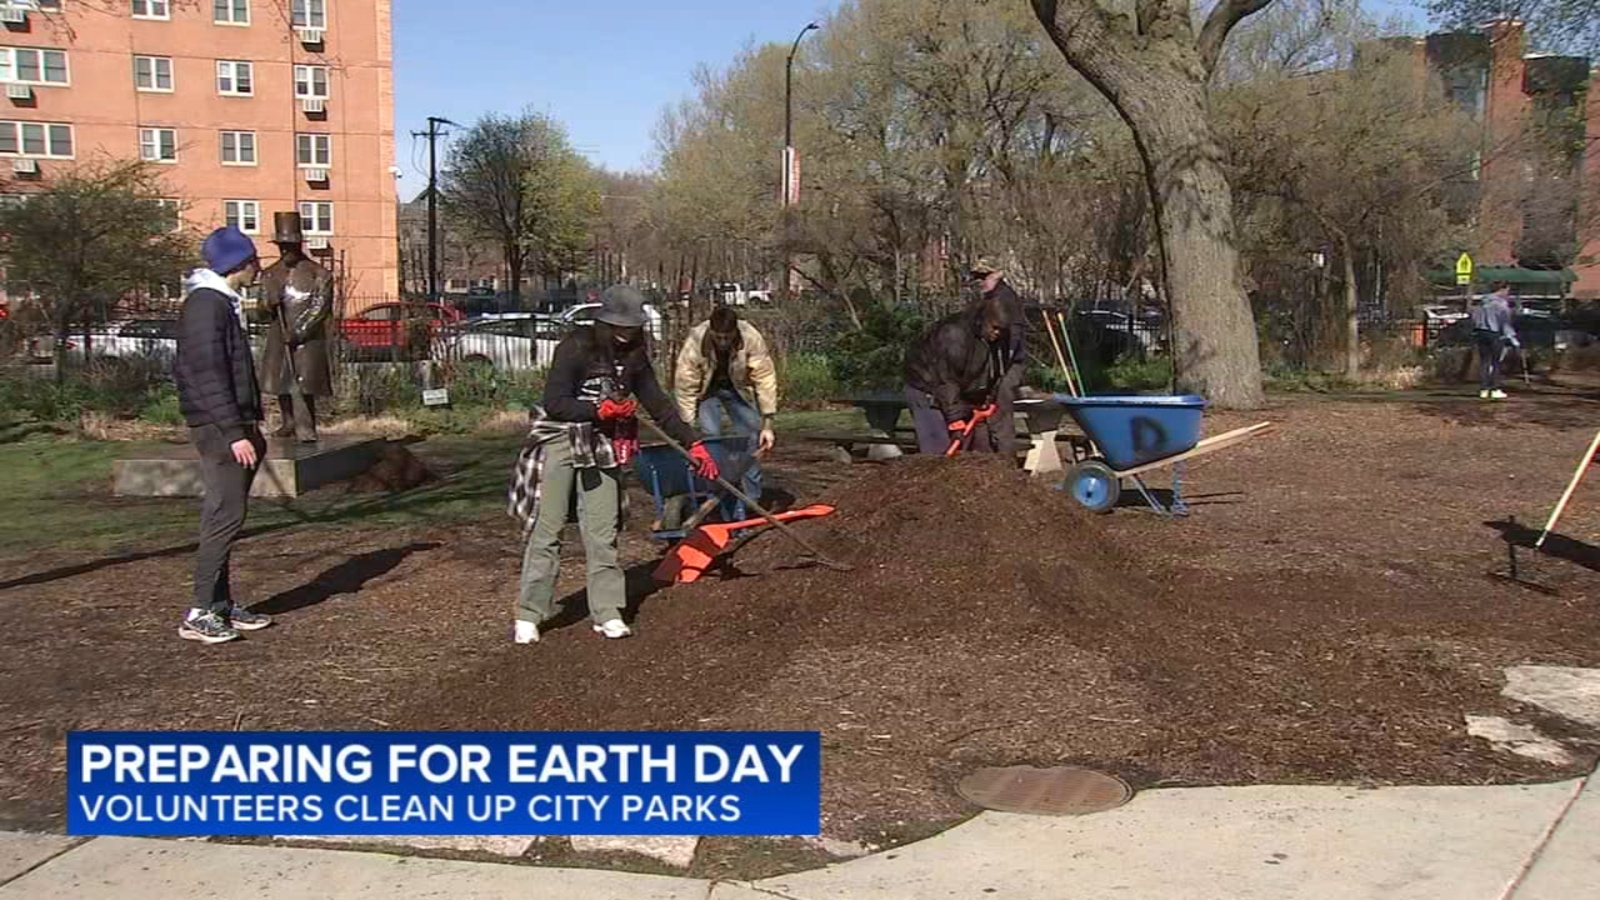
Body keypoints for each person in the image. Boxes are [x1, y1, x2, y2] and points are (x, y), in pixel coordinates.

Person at [508, 285, 719, 644]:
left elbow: (658, 404)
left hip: (602, 447)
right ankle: (530, 613)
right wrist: (597, 410)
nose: (625, 332)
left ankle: (606, 611)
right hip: (561, 440)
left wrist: (693, 442)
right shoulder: (575, 347)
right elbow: (555, 402)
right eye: (618, 325)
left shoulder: (635, 357)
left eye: (631, 326)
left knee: (603, 531)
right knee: (549, 529)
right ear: (603, 321)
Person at [172, 226, 273, 644]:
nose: (258, 268)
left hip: (230, 425)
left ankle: (219, 604)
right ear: (240, 264)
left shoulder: (219, 303)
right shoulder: (206, 306)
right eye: (254, 261)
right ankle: (199, 612)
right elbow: (207, 374)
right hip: (219, 430)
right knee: (224, 517)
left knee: (227, 516)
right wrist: (234, 432)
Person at [673, 305, 780, 503]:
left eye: (727, 337)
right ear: (711, 331)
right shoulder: (696, 341)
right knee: (711, 438)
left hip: (738, 388)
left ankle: (751, 499)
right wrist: (687, 428)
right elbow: (685, 385)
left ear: (735, 332)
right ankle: (715, 494)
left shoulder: (750, 337)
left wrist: (768, 423)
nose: (722, 342)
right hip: (707, 391)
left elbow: (765, 378)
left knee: (751, 436)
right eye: (718, 337)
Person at [904, 290, 1016, 457]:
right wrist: (955, 418)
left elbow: (993, 370)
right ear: (985, 319)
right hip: (928, 388)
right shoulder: (954, 334)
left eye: (1002, 330)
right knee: (939, 451)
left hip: (959, 392)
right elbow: (945, 379)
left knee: (973, 451)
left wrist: (987, 399)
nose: (998, 333)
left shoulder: (994, 338)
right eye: (995, 328)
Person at [259, 211, 334, 443]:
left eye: (289, 246)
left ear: (299, 245)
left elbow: (320, 308)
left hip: (307, 339)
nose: (285, 251)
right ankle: (288, 421)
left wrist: (300, 331)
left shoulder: (319, 273)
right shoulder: (270, 273)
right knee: (281, 379)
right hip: (278, 334)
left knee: (302, 381)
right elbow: (261, 313)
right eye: (281, 246)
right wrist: (267, 302)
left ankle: (305, 424)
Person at [967, 258, 1025, 462]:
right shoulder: (985, 299)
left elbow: (1015, 334)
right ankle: (983, 456)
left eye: (984, 276)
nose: (980, 281)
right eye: (976, 277)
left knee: (1001, 404)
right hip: (988, 364)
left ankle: (1005, 459)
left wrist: (1003, 366)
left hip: (1009, 364)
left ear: (998, 274)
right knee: (979, 403)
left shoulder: (1006, 299)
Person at [1471, 281, 1520, 401]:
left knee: (1484, 361)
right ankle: (1494, 388)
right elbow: (1505, 322)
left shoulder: (1482, 302)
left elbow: (1473, 316)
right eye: (1507, 290)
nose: (1508, 293)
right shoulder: (1501, 304)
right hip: (1494, 333)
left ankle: (1483, 389)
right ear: (1503, 289)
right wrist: (1512, 338)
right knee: (1495, 362)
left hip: (1480, 332)